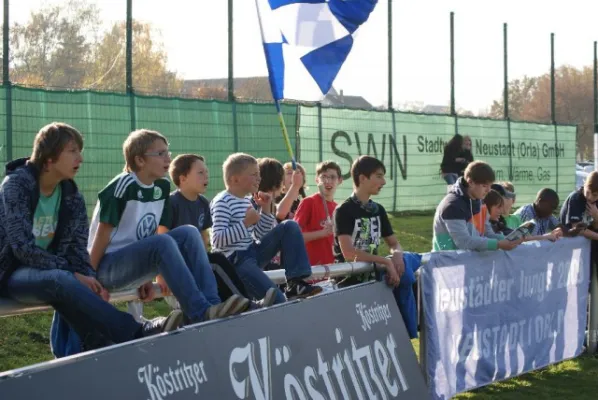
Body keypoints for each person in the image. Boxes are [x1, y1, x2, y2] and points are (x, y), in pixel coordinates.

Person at [0, 123, 181, 358]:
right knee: (61, 278)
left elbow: (77, 247)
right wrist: (73, 273)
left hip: (52, 272)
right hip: (10, 274)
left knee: (71, 283)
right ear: (50, 158)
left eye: (80, 151)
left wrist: (89, 276)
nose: (81, 158)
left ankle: (87, 348)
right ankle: (134, 331)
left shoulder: (71, 193)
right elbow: (22, 248)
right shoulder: (16, 185)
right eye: (72, 151)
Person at [88, 129, 249, 325]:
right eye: (161, 153)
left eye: (168, 152)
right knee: (163, 241)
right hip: (107, 267)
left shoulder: (161, 187)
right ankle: (199, 312)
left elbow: (146, 235)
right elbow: (101, 235)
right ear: (140, 160)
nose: (168, 158)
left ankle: (212, 305)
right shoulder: (123, 186)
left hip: (131, 265)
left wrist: (144, 277)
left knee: (189, 232)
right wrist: (91, 278)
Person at [166, 154, 277, 308]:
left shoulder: (203, 203)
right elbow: (163, 236)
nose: (206, 176)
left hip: (218, 258)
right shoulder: (172, 202)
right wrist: (161, 277)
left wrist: (265, 211)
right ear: (183, 178)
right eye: (200, 173)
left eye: (207, 172)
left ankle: (230, 305)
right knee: (218, 261)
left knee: (214, 261)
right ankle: (244, 303)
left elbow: (204, 237)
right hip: (181, 263)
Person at [210, 153, 322, 303]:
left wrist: (266, 211)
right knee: (277, 300)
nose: (259, 178)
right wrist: (245, 223)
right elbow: (217, 241)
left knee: (289, 226)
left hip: (252, 252)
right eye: (254, 174)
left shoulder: (246, 201)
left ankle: (295, 283)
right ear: (235, 179)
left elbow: (260, 234)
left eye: (259, 174)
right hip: (236, 262)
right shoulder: (222, 201)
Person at [333, 155, 420, 338]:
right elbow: (348, 253)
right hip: (348, 286)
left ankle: (410, 331)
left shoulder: (378, 209)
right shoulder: (344, 210)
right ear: (363, 178)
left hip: (374, 283)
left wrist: (396, 255)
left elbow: (394, 242)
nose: (384, 181)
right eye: (379, 176)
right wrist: (385, 262)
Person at [433, 161, 522, 251]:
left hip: (470, 261)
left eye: (490, 185)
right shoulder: (452, 206)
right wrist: (498, 244)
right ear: (470, 182)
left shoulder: (481, 202)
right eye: (484, 186)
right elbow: (463, 242)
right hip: (448, 261)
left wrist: (510, 240)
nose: (488, 190)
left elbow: (488, 233)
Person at [294, 160, 342, 267]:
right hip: (312, 269)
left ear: (340, 180)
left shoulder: (338, 209)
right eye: (323, 176)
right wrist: (322, 233)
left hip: (334, 268)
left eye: (333, 177)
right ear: (317, 180)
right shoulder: (308, 202)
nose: (327, 181)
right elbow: (294, 237)